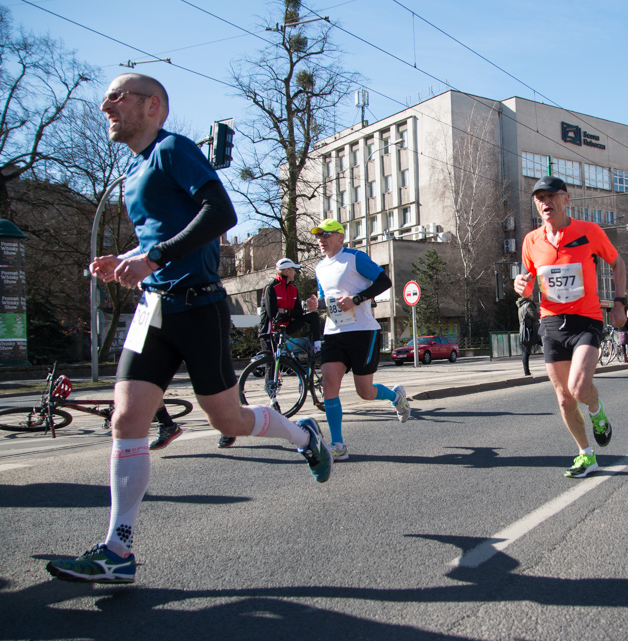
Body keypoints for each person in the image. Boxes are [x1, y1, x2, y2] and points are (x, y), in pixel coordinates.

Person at [47, 74, 333, 585]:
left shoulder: (172, 149)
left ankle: (302, 433)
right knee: (125, 420)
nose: (105, 104)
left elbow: (221, 213)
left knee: (227, 421)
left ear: (151, 105)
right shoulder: (134, 174)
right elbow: (163, 237)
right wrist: (129, 258)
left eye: (117, 96)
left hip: (198, 308)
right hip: (153, 311)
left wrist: (153, 253)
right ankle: (119, 549)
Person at [514, 176, 626, 479]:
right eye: (539, 198)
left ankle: (596, 411)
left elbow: (618, 263)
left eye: (550, 196)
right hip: (551, 323)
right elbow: (526, 287)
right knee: (563, 398)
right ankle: (586, 455)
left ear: (566, 199)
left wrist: (620, 300)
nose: (544, 202)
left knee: (579, 388)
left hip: (586, 320)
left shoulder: (589, 232)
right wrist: (519, 285)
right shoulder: (531, 240)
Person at [308, 218, 411, 462]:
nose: (320, 239)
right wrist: (316, 304)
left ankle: (396, 396)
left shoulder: (354, 258)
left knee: (365, 392)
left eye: (326, 234)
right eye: (318, 235)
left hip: (363, 331)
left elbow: (384, 281)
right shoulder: (319, 268)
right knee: (329, 385)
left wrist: (355, 299)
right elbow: (326, 300)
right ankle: (338, 444)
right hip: (334, 332)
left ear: (340, 236)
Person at [216, 257, 324, 449]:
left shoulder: (294, 289)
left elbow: (297, 313)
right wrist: (286, 313)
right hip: (269, 331)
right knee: (270, 364)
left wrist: (292, 311)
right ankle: (273, 399)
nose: (296, 272)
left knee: (313, 316)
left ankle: (316, 346)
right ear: (286, 270)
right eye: (293, 270)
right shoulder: (270, 288)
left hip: (286, 327)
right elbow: (273, 312)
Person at [518, 295, 540, 376]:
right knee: (547, 344)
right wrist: (540, 313)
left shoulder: (520, 305)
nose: (532, 296)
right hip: (531, 331)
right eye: (531, 295)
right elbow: (535, 316)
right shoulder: (528, 305)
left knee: (525, 351)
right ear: (528, 296)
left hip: (523, 331)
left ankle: (526, 371)